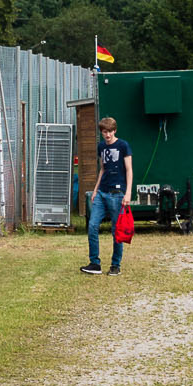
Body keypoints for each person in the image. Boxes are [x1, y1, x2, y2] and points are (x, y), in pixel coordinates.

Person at [80, 116, 133, 276]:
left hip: (117, 194)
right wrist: (95, 190)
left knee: (116, 230)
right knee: (92, 226)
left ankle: (115, 265)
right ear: (101, 132)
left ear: (114, 131)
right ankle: (94, 263)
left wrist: (128, 192)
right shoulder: (101, 147)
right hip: (102, 193)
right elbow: (102, 169)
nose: (107, 135)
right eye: (104, 132)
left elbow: (129, 170)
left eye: (110, 131)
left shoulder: (123, 145)